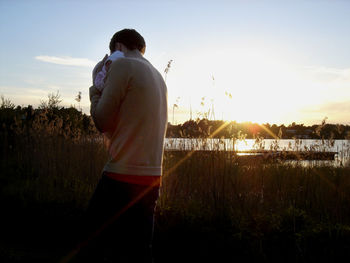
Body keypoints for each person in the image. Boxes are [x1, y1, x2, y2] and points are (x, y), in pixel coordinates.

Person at [79, 29, 168, 262]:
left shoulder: (121, 66)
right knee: (137, 251)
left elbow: (102, 120)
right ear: (140, 48)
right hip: (152, 178)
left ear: (118, 47)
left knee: (90, 244)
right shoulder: (158, 76)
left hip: (122, 175)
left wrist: (94, 88)